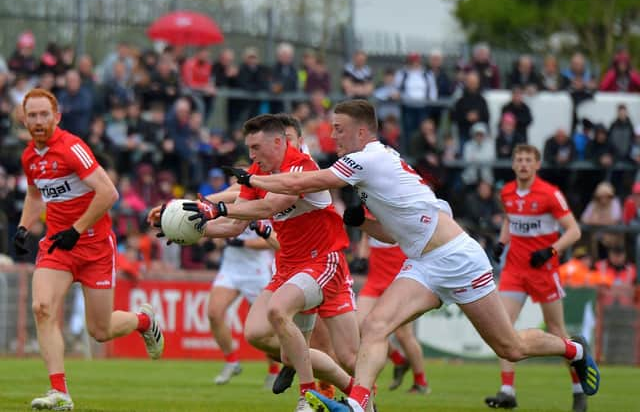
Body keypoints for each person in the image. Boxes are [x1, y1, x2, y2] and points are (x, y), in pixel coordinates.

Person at [228, 100, 601, 412]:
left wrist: (252, 180)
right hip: (422, 263)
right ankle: (359, 405)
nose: (333, 135)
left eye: (339, 129)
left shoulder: (366, 159)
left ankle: (573, 347)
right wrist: (363, 224)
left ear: (361, 132)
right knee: (374, 327)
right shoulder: (369, 167)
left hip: (457, 258)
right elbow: (392, 234)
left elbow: (305, 182)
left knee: (510, 347)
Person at [150, 114, 360, 412]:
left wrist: (217, 207)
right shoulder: (257, 171)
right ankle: (355, 393)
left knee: (315, 334)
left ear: (280, 142)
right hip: (290, 267)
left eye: (255, 147)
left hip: (323, 261)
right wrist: (188, 229)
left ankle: (308, 397)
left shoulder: (301, 166)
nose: (251, 155)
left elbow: (269, 205)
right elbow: (234, 225)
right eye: (249, 148)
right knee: (258, 335)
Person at [14, 89, 164, 411]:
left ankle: (142, 321)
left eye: (44, 114)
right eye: (32, 115)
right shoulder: (29, 157)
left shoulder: (72, 148)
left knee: (100, 330)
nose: (38, 121)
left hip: (94, 246)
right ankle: (59, 392)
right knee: (42, 308)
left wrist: (77, 229)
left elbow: (109, 193)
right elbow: (35, 195)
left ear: (57, 117)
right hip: (58, 246)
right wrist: (24, 227)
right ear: (24, 119)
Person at [487, 144, 586, 411]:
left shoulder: (550, 193)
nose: (523, 164)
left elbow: (574, 231)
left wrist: (551, 250)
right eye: (518, 159)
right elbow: (510, 219)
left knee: (557, 331)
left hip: (543, 271)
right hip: (515, 270)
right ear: (513, 164)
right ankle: (507, 390)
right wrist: (501, 241)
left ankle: (578, 390)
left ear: (537, 165)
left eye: (528, 160)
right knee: (503, 328)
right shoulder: (507, 191)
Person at [209, 218, 281, 386]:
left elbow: (273, 240)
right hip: (230, 268)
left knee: (262, 329)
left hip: (256, 271)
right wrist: (216, 241)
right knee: (214, 313)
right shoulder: (233, 204)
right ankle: (232, 361)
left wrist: (242, 243)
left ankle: (274, 371)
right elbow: (219, 230)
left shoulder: (265, 205)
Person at [355, 231, 430, 394]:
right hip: (374, 282)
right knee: (359, 325)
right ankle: (399, 359)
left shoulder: (400, 211)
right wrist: (361, 257)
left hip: (399, 282)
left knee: (404, 335)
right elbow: (366, 236)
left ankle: (420, 381)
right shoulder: (370, 208)